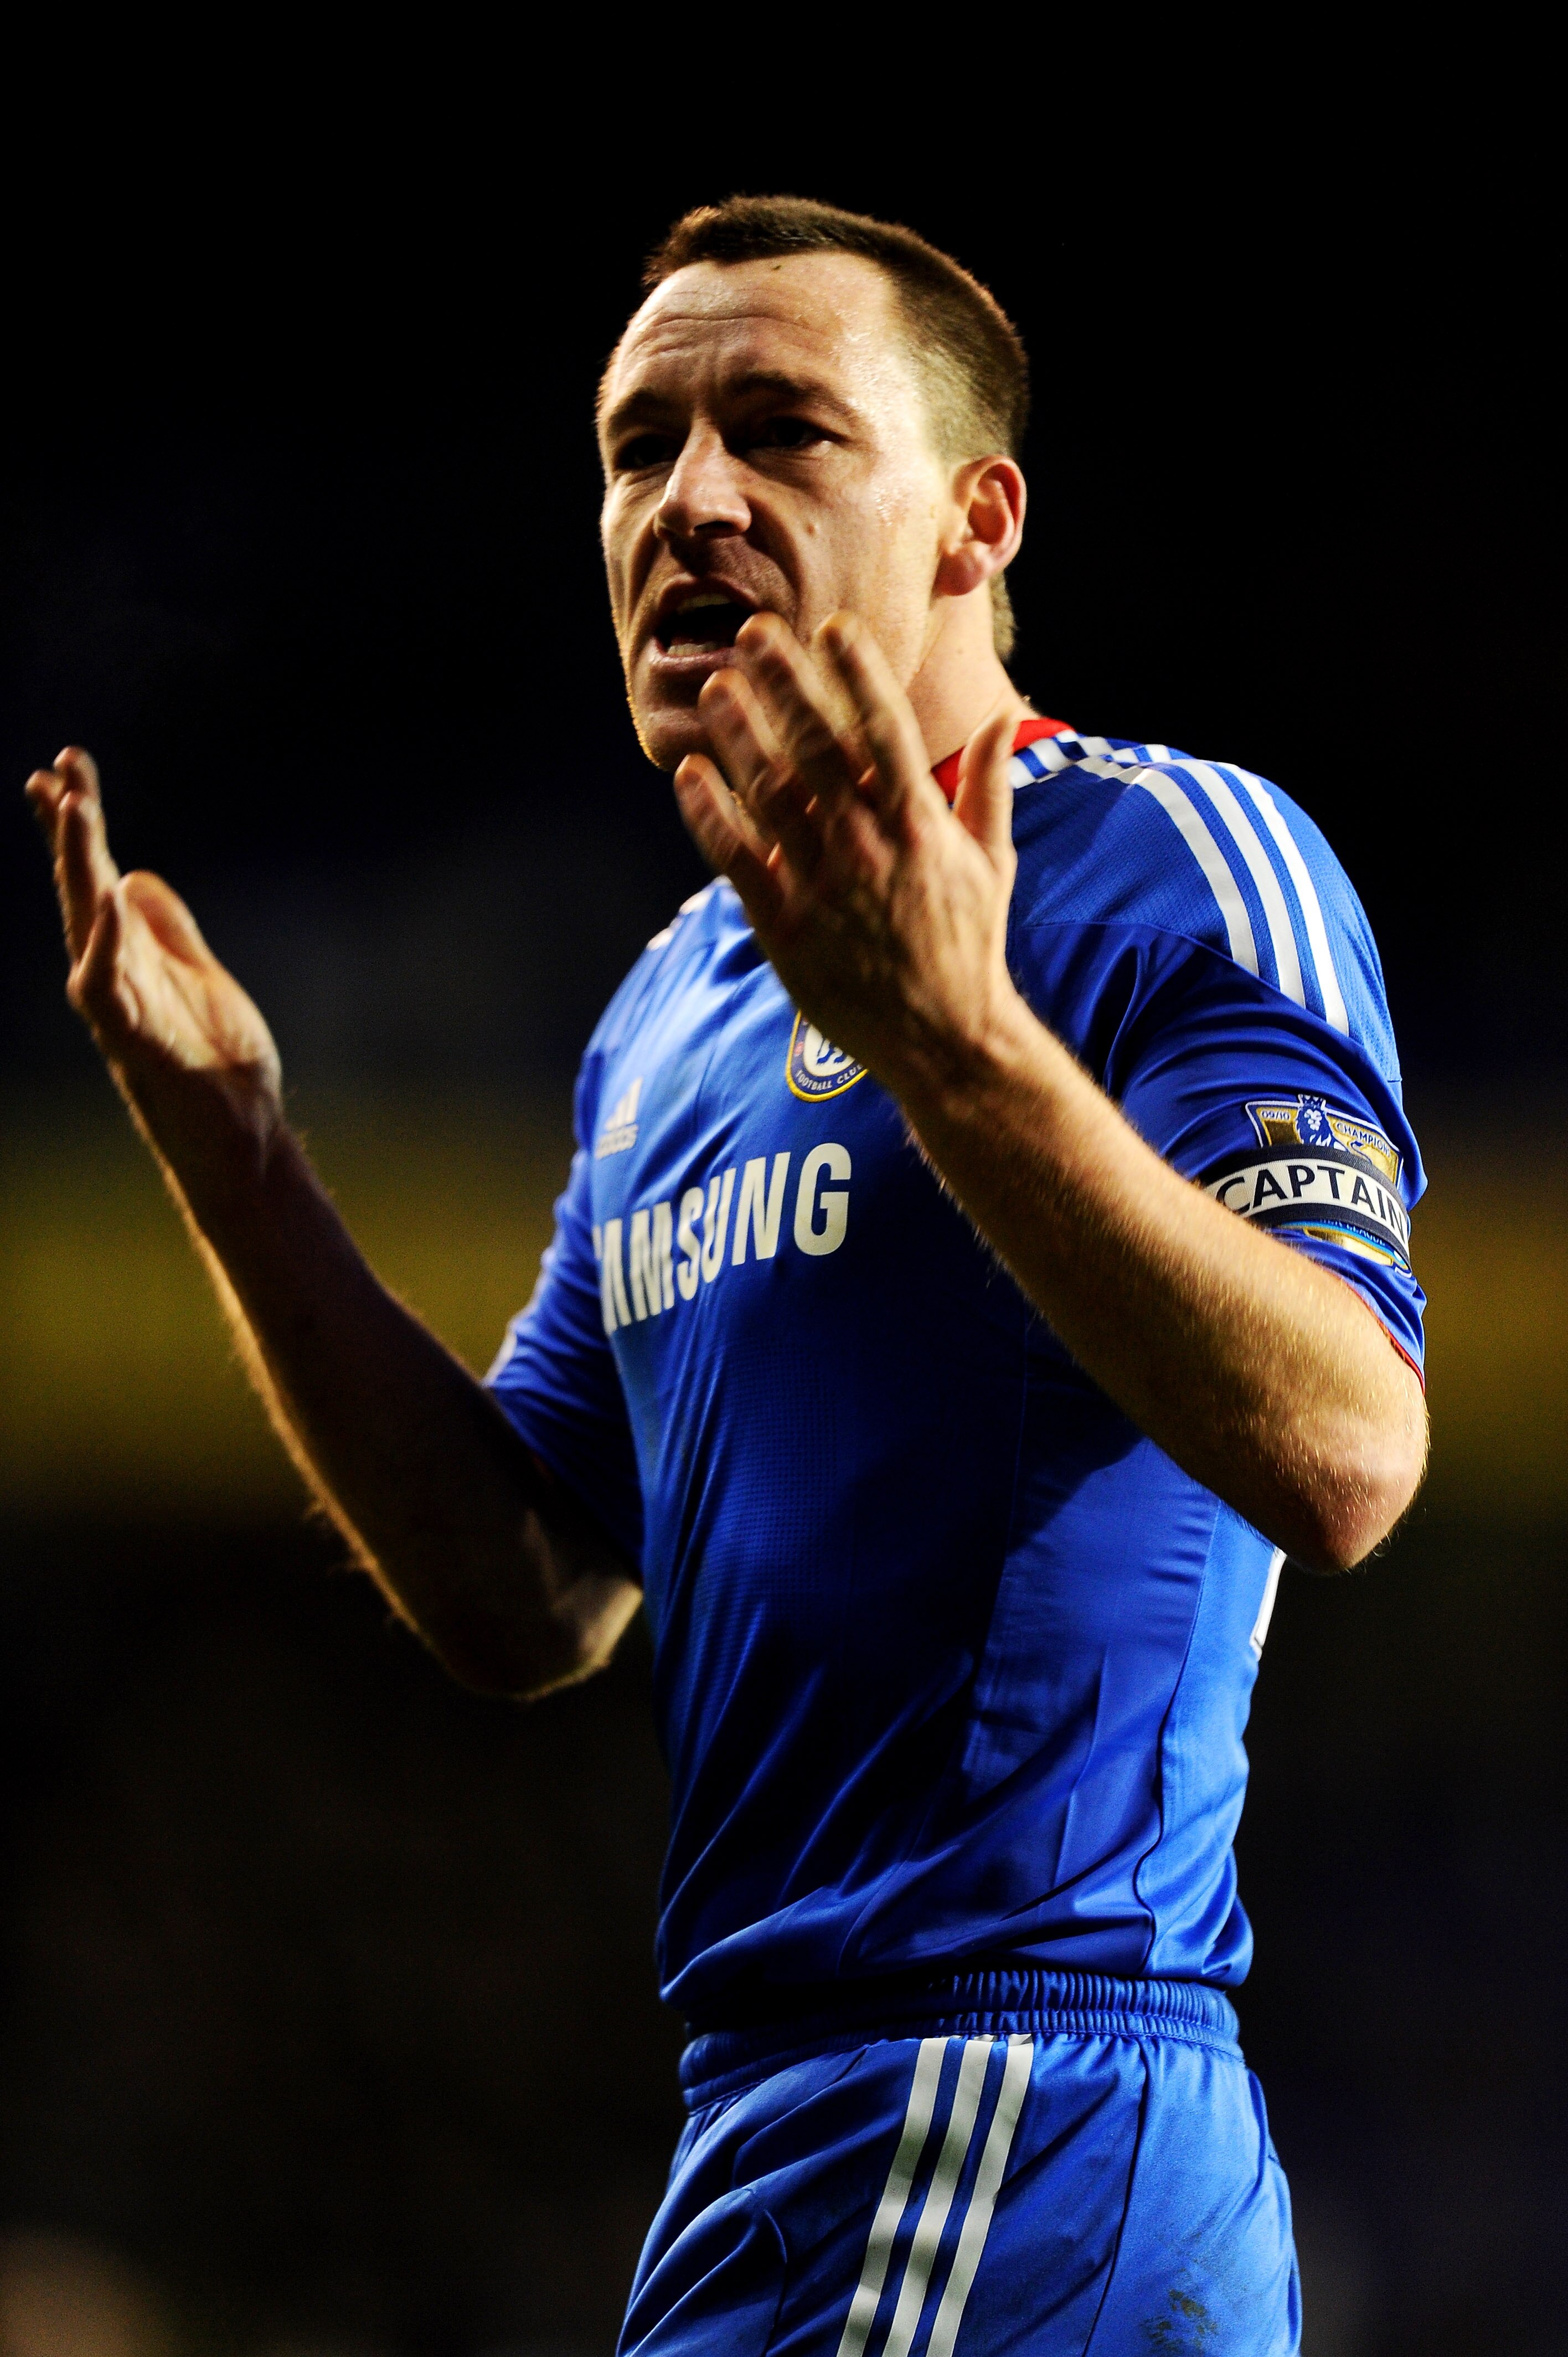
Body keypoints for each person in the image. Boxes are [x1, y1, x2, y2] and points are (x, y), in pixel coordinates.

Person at [28, 197, 1427, 2355]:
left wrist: (958, 1041)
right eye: (636, 443)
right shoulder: (670, 1005)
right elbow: (531, 1592)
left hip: (1015, 2092)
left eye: (779, 429)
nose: (689, 497)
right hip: (777, 2124)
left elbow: (1347, 1443)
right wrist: (245, 1168)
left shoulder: (1174, 863)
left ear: (976, 524)